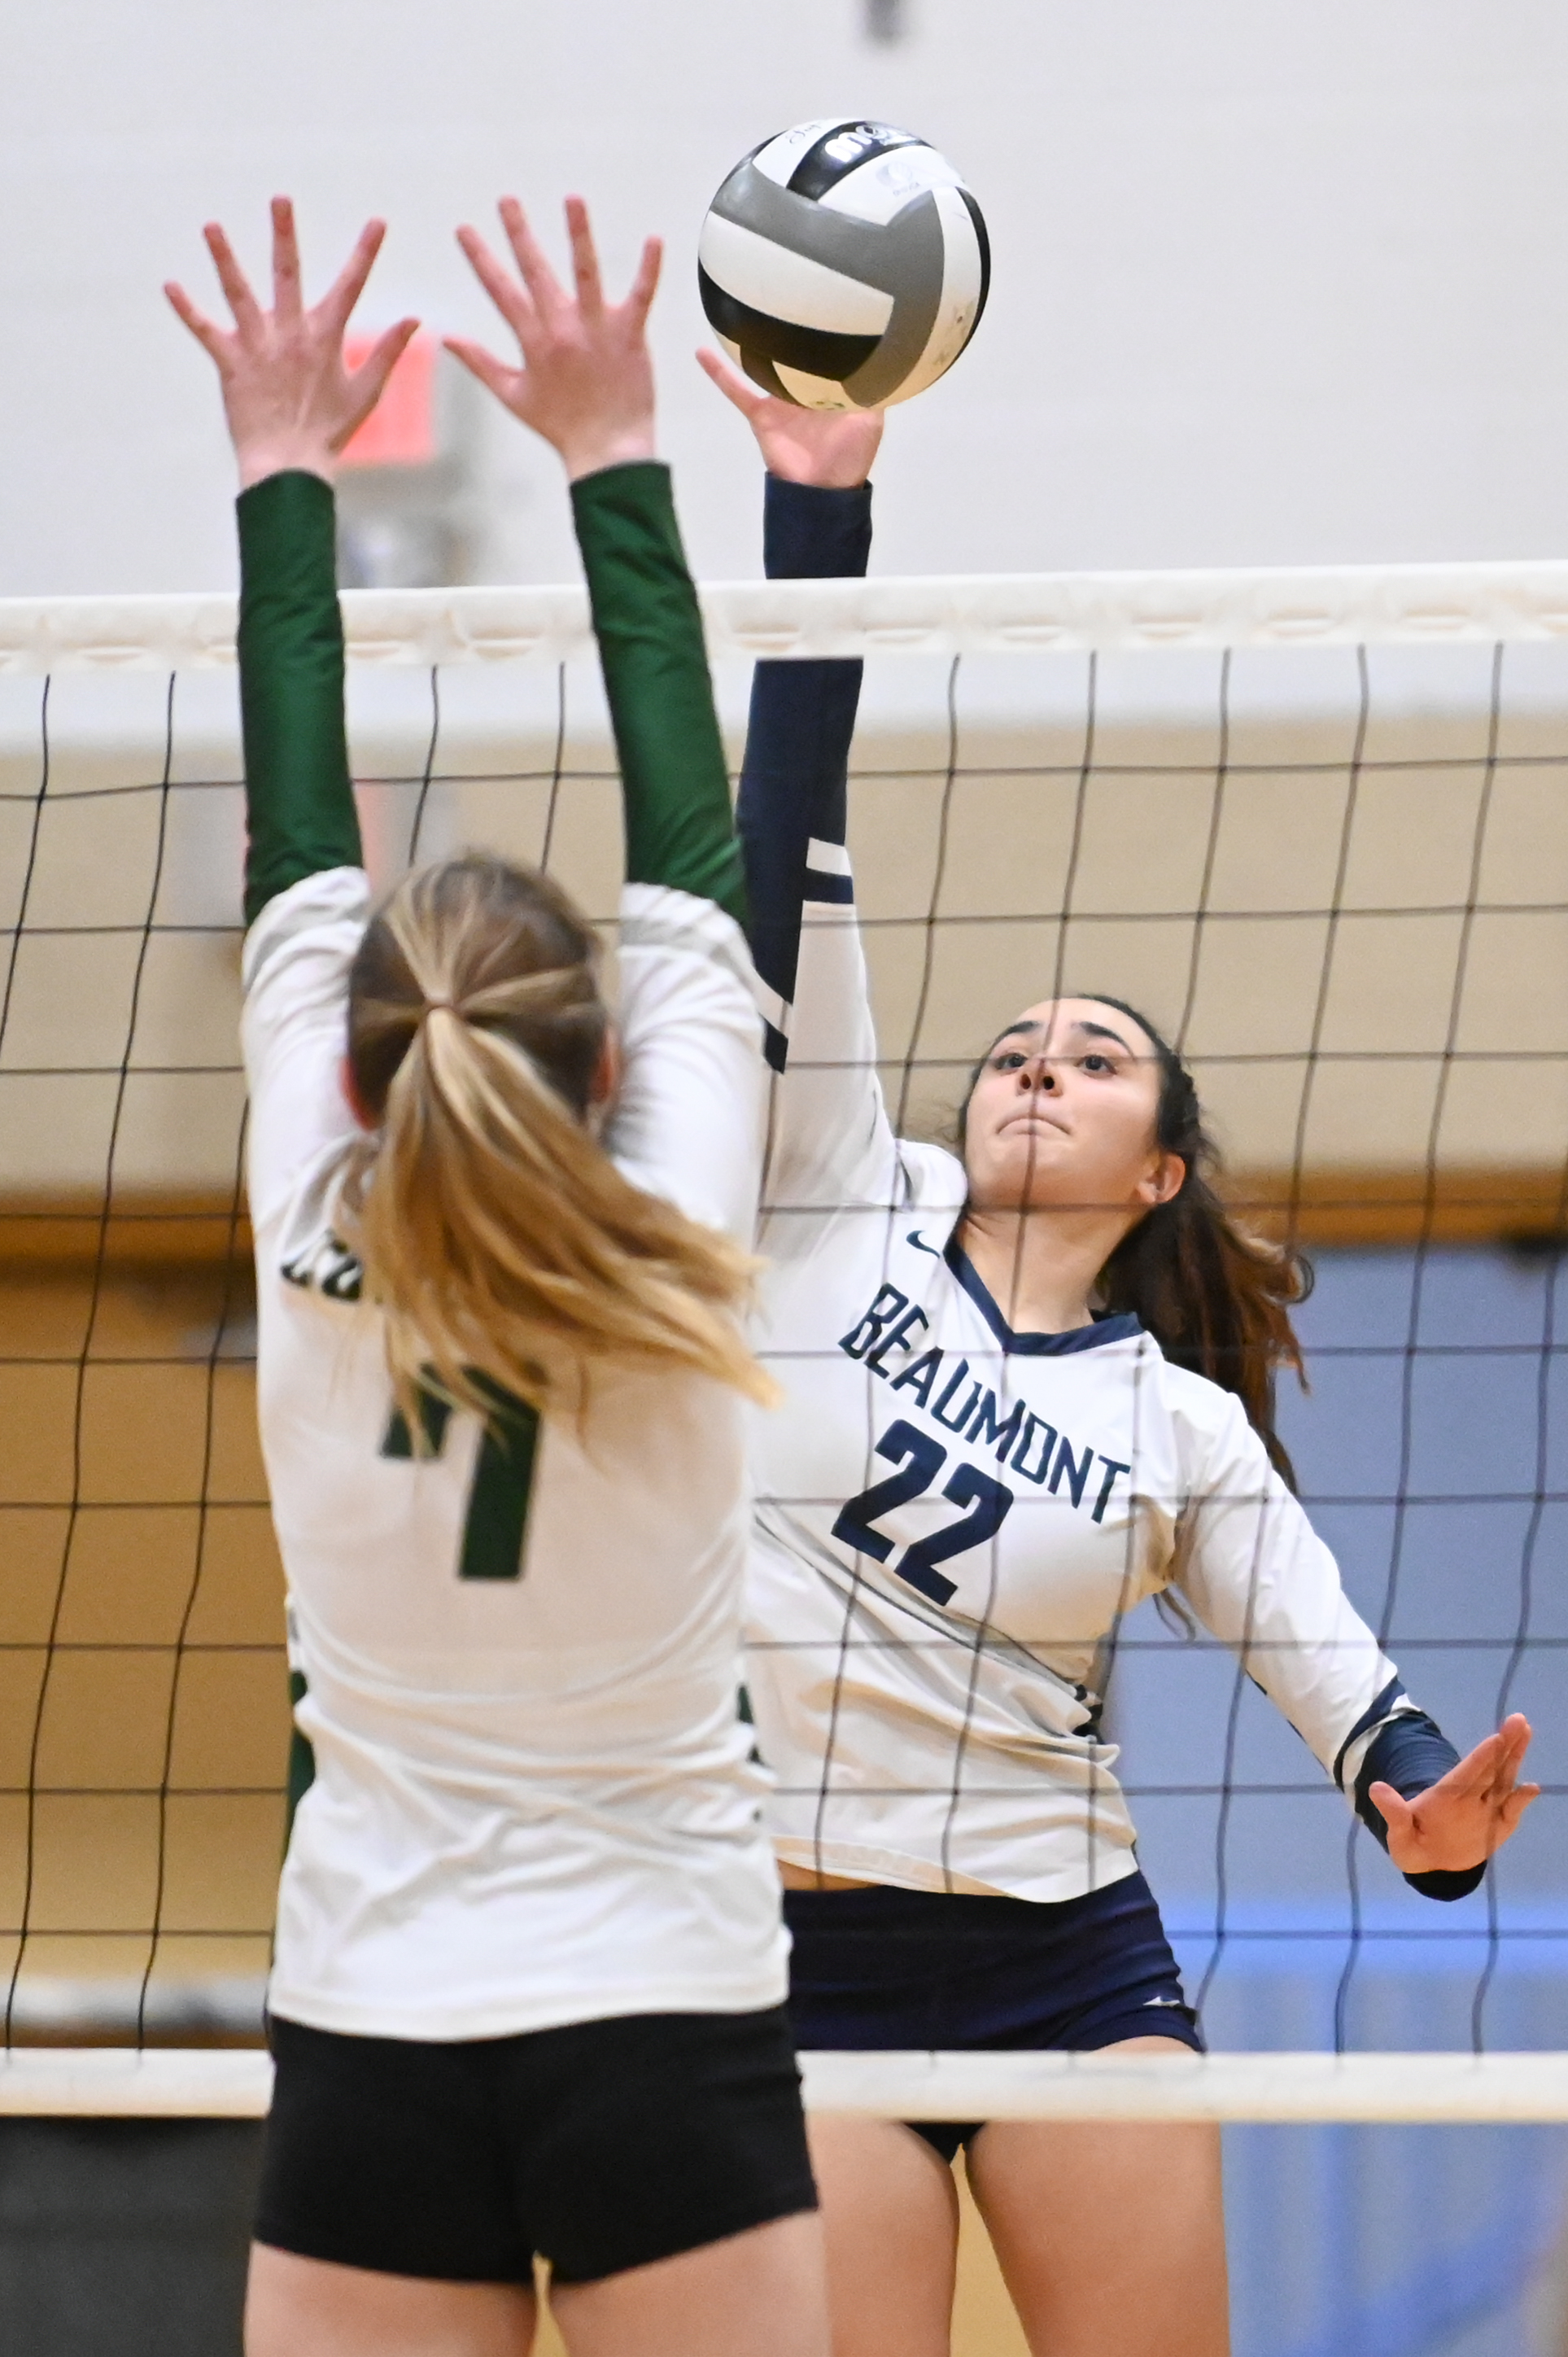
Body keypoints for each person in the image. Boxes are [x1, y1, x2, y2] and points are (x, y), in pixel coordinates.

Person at [697, 348, 1541, 2357]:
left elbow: (1323, 1655)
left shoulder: (1173, 1424)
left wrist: (1422, 1806)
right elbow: (785, 856)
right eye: (1016, 1042)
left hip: (1068, 1958)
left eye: (1089, 1060)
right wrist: (821, 519)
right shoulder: (836, 1191)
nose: (1029, 1064)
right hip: (791, 1949)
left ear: (1154, 1165)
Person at [164, 197, 832, 2357]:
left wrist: (287, 469)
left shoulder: (300, 1217)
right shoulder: (689, 1250)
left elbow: (290, 841)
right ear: (617, 1062)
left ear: (356, 1074)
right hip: (665, 2016)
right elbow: (699, 850)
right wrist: (617, 445)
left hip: (375, 2027)